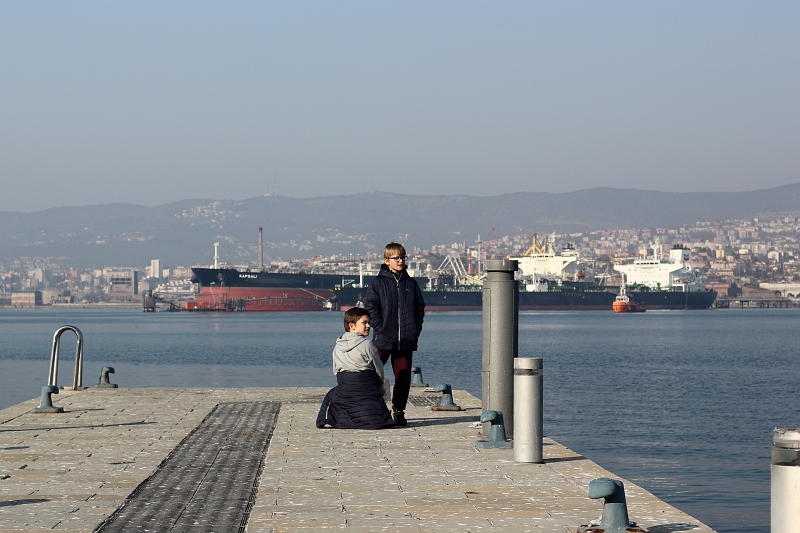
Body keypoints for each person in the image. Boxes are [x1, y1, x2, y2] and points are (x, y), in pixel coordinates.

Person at [364, 242, 425, 426]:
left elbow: (419, 308)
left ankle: (398, 411)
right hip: (383, 338)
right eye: (396, 258)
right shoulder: (378, 283)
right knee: (372, 374)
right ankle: (370, 408)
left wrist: (415, 329)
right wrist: (380, 328)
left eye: (402, 257)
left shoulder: (411, 284)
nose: (400, 261)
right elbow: (371, 307)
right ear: (386, 260)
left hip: (406, 338)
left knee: (403, 378)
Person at [316, 307, 394, 429]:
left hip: (345, 390)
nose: (368, 326)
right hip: (365, 389)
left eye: (369, 322)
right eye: (364, 323)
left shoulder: (337, 347)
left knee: (333, 393)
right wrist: (380, 387)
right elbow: (379, 371)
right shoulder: (368, 345)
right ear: (352, 325)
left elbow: (336, 371)